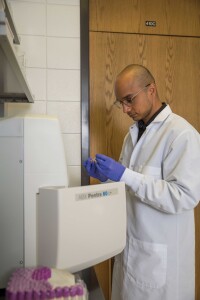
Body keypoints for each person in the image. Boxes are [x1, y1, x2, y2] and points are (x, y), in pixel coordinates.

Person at [84, 64, 200, 300]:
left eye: (129, 99)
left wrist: (125, 175)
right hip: (132, 250)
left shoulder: (181, 135)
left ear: (151, 90)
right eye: (121, 103)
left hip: (161, 261)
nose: (125, 109)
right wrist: (108, 179)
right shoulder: (133, 134)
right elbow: (131, 186)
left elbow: (184, 197)